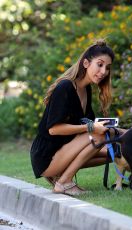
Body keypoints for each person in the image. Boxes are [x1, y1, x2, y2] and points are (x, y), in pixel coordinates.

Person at [30, 38, 118, 196]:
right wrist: (91, 128)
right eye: (100, 64)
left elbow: (85, 126)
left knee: (114, 151)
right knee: (98, 136)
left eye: (107, 67)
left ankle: (60, 177)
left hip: (64, 151)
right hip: (46, 156)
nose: (104, 71)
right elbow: (54, 129)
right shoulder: (65, 87)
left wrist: (123, 133)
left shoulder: (86, 90)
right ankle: (64, 183)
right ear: (85, 63)